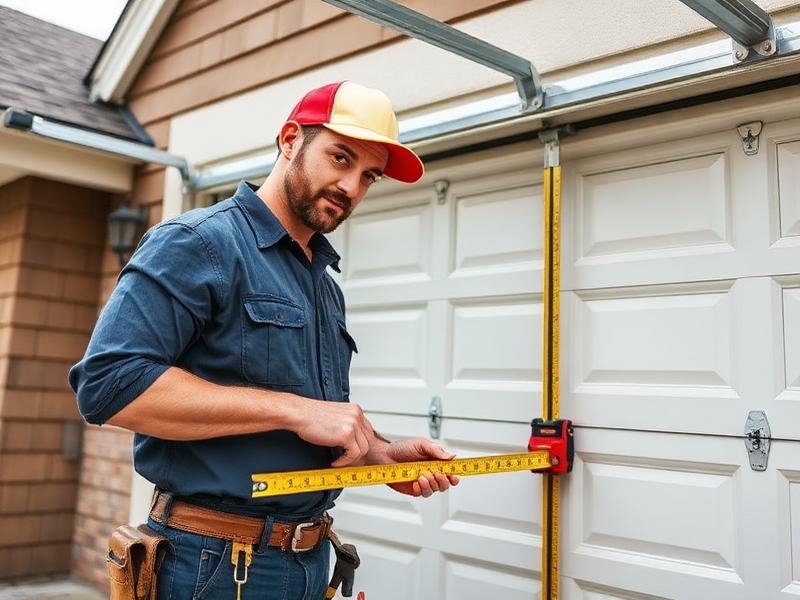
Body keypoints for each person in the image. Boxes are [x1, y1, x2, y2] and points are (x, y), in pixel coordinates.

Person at [69, 81, 459, 600]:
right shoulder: (198, 243)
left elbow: (304, 430)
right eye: (339, 158)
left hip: (310, 560)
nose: (351, 186)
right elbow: (107, 385)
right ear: (291, 139)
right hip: (212, 563)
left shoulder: (323, 284)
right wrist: (295, 409)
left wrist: (380, 457)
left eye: (369, 175)